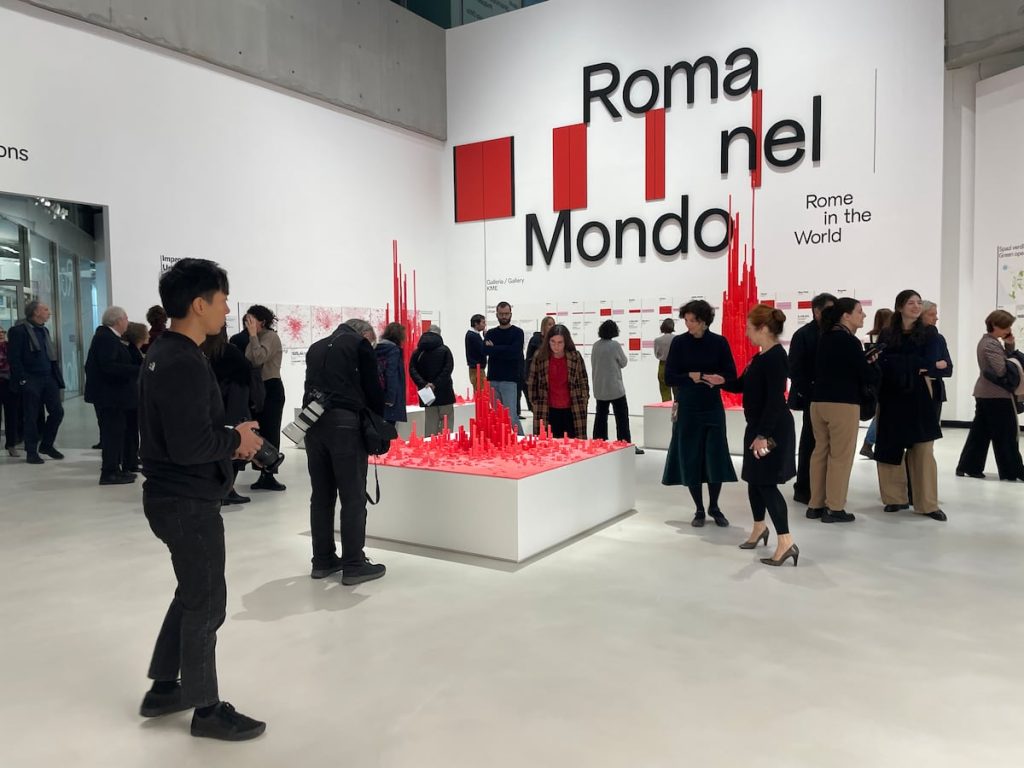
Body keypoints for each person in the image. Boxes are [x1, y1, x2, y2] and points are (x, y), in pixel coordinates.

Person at [138, 258, 266, 741]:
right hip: (186, 501)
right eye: (223, 300)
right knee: (207, 604)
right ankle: (206, 709)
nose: (227, 310)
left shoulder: (164, 352)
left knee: (193, 593)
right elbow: (190, 446)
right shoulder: (182, 361)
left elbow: (184, 434)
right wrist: (237, 441)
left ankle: (164, 688)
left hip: (173, 496)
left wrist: (231, 438)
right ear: (199, 304)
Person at [712, 305, 798, 565]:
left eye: (749, 328)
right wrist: (722, 381)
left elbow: (775, 400)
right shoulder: (761, 357)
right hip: (758, 427)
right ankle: (759, 527)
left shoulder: (775, 358)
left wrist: (762, 434)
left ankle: (786, 542)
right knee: (753, 479)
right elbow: (743, 385)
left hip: (770, 429)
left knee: (766, 483)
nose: (746, 332)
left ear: (763, 328)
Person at [303, 318, 386, 585]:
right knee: (352, 497)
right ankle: (353, 564)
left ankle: (322, 560)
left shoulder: (315, 347)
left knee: (321, 496)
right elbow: (373, 388)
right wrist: (377, 423)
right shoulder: (359, 345)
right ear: (365, 333)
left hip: (313, 424)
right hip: (345, 424)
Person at [661, 299, 737, 528]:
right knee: (691, 456)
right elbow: (669, 377)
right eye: (686, 320)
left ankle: (714, 506)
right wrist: (690, 377)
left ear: (704, 321)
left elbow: (731, 375)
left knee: (715, 456)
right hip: (688, 406)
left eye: (692, 320)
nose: (688, 324)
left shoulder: (719, 343)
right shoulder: (679, 343)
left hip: (712, 405)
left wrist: (719, 379)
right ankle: (699, 508)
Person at [806, 298, 880, 523]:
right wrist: (872, 363)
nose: (863, 315)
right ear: (845, 316)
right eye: (859, 311)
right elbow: (864, 374)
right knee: (841, 457)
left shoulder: (825, 337)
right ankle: (835, 507)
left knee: (820, 452)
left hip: (818, 402)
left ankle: (815, 505)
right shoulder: (849, 341)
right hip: (843, 404)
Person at [875, 290, 947, 521]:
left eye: (918, 302)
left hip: (919, 394)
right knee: (890, 445)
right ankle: (894, 498)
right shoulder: (888, 333)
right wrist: (914, 363)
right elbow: (882, 361)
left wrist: (899, 362)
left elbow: (932, 363)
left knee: (923, 449)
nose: (916, 306)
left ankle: (927, 503)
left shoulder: (929, 332)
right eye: (911, 303)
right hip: (891, 394)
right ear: (900, 307)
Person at [955, 310, 1024, 481]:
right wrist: (1012, 358)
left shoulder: (989, 342)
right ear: (994, 325)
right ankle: (1013, 471)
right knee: (1006, 433)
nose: (1008, 330)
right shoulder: (990, 345)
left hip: (987, 393)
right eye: (1006, 327)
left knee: (980, 433)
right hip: (996, 395)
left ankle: (969, 466)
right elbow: (1001, 370)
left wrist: (1009, 346)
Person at [787, 292, 836, 503]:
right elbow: (794, 368)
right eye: (829, 309)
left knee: (826, 444)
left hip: (831, 398)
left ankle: (823, 489)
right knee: (810, 442)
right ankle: (804, 488)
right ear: (816, 311)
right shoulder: (803, 335)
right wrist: (809, 391)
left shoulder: (834, 333)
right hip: (812, 399)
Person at [84, 306, 139, 485]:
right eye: (126, 318)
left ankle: (114, 469)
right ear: (118, 320)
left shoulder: (108, 337)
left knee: (115, 433)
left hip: (111, 396)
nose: (127, 322)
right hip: (109, 396)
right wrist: (136, 370)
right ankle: (110, 472)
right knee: (112, 434)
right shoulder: (106, 338)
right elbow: (108, 366)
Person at [7, 300, 65, 464]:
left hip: (48, 377)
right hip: (31, 379)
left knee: (57, 412)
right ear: (36, 312)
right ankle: (31, 451)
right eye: (45, 309)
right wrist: (23, 379)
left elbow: (49, 355)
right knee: (31, 416)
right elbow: (14, 357)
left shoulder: (44, 330)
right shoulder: (19, 331)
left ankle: (46, 445)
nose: (49, 312)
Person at [201, 327, 253, 505]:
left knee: (218, 446)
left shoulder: (201, 352)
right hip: (232, 404)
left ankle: (221, 488)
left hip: (213, 405)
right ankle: (227, 489)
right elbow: (247, 371)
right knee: (234, 446)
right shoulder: (229, 351)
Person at [243, 304, 286, 492]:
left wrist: (253, 336)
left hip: (271, 387)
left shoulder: (270, 337)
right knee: (258, 431)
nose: (248, 323)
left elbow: (259, 358)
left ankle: (269, 473)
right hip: (258, 389)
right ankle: (262, 471)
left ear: (262, 321)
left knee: (271, 430)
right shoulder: (253, 338)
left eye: (251, 320)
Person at [526, 324, 590, 438]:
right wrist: (534, 402)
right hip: (546, 409)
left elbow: (583, 379)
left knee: (573, 444)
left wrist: (584, 398)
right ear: (548, 341)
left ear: (566, 342)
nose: (556, 346)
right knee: (547, 444)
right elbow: (532, 381)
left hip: (572, 409)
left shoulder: (575, 357)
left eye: (560, 342)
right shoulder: (540, 357)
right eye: (553, 342)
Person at [591, 319, 643, 454]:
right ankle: (625, 444)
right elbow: (623, 362)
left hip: (600, 388)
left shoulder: (595, 345)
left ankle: (599, 443)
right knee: (622, 417)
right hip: (615, 388)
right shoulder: (614, 346)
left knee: (600, 416)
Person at [485, 302, 525, 435]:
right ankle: (503, 442)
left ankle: (520, 441)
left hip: (510, 380)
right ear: (497, 314)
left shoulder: (518, 332)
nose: (504, 316)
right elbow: (486, 350)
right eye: (501, 314)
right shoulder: (491, 333)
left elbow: (515, 352)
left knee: (511, 417)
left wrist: (495, 349)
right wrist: (505, 349)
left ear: (510, 314)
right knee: (497, 417)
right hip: (493, 379)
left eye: (506, 314)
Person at [409, 324, 456, 436]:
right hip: (445, 392)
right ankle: (445, 444)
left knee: (430, 424)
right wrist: (436, 384)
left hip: (427, 394)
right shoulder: (445, 350)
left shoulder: (418, 352)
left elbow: (412, 370)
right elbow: (448, 369)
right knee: (446, 424)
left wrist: (424, 384)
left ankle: (431, 445)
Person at [859, 307, 893, 459]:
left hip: (873, 377)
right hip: (886, 377)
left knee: (879, 412)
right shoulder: (890, 338)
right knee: (881, 413)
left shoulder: (867, 337)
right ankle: (868, 443)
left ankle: (869, 443)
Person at [121, 321, 149, 473]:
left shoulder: (134, 350)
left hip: (133, 395)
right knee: (131, 429)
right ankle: (130, 460)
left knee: (133, 429)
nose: (149, 334)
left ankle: (132, 458)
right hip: (131, 396)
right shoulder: (132, 352)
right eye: (146, 332)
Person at [919, 301, 954, 420]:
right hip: (917, 388)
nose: (936, 318)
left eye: (936, 314)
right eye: (931, 314)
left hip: (936, 389)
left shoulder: (939, 338)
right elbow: (916, 366)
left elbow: (948, 369)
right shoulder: (914, 339)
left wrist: (930, 367)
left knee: (932, 427)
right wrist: (934, 365)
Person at [375, 322, 408, 426]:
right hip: (390, 397)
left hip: (377, 393)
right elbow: (391, 374)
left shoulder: (376, 349)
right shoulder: (394, 351)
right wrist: (390, 397)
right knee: (389, 429)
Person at [524, 316, 555, 412]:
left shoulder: (554, 340)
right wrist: (527, 377)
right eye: (549, 324)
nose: (552, 326)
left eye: (553, 324)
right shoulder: (535, 339)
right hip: (537, 377)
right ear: (544, 326)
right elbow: (529, 359)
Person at [0, 326, 22, 456]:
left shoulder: (10, 346)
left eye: (2, 332)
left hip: (10, 384)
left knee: (12, 415)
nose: (1, 334)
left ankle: (11, 444)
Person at [465, 314, 488, 394]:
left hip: (477, 368)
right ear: (476, 323)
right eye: (483, 322)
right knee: (481, 392)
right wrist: (486, 338)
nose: (485, 325)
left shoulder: (473, 335)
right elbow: (483, 350)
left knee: (480, 390)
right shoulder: (473, 336)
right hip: (477, 369)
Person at [654, 318, 676, 402]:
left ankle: (667, 409)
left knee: (665, 393)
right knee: (677, 393)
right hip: (676, 366)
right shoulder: (677, 339)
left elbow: (657, 355)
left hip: (663, 366)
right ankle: (678, 410)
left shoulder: (657, 340)